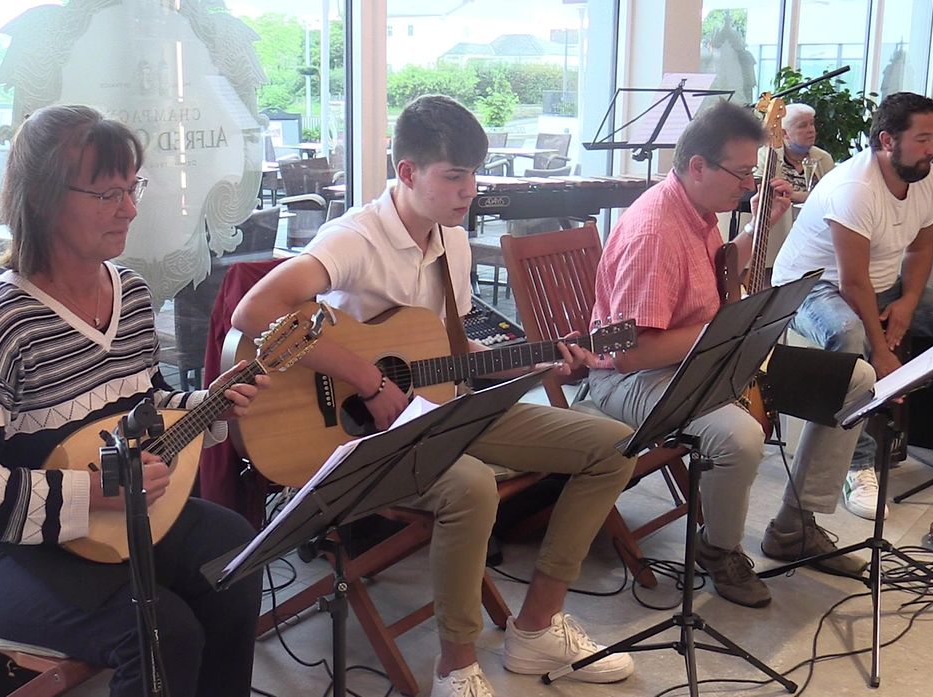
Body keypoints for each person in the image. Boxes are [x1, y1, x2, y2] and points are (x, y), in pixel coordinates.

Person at [232, 95, 639, 697]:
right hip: (348, 435)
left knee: (616, 445)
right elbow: (254, 312)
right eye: (453, 176)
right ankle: (456, 664)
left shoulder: (452, 241)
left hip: (436, 410)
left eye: (474, 174)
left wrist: (542, 362)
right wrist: (368, 378)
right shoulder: (355, 238)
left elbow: (452, 351)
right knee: (471, 486)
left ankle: (536, 626)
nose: (468, 190)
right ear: (407, 172)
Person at [0, 105, 269, 697]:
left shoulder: (130, 293)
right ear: (44, 198)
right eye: (107, 194)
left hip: (107, 523)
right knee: (161, 630)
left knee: (232, 552)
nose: (129, 209)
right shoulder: (4, 320)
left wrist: (208, 404)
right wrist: (93, 493)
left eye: (132, 188)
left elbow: (143, 407)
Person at [587, 100, 874, 609]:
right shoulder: (654, 231)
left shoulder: (698, 211)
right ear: (698, 166)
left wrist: (757, 228)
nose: (748, 184)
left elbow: (716, 272)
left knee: (856, 380)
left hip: (707, 354)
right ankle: (718, 550)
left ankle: (794, 525)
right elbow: (631, 354)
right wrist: (728, 332)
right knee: (739, 435)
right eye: (741, 173)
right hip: (635, 378)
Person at [772, 92, 933, 523]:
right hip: (811, 288)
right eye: (923, 139)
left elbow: (921, 251)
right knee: (848, 333)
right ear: (888, 140)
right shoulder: (854, 188)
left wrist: (907, 301)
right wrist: (883, 352)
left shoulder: (924, 176)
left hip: (883, 286)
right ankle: (856, 464)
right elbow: (852, 282)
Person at [755, 102, 837, 276]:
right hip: (778, 232)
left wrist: (794, 195)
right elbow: (765, 193)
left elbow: (832, 197)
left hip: (814, 233)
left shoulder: (823, 158)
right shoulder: (766, 155)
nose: (811, 130)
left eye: (812, 124)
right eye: (802, 126)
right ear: (784, 133)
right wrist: (806, 196)